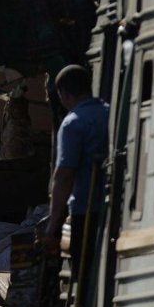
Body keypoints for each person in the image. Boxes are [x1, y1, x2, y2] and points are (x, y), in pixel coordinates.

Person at [42, 64, 110, 255]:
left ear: (64, 94)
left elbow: (65, 175)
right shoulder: (109, 112)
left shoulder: (72, 123)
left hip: (86, 211)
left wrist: (52, 226)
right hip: (114, 209)